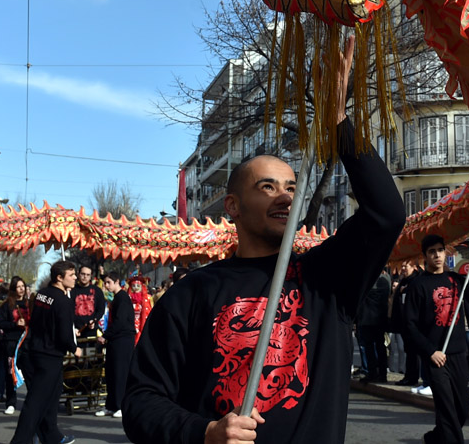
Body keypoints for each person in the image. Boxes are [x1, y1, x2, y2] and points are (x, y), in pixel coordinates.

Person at [123, 35, 406, 444]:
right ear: (233, 206)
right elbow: (141, 402)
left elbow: (387, 214)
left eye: (291, 187)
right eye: (268, 187)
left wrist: (339, 124)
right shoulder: (193, 293)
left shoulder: (326, 279)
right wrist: (205, 431)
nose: (285, 196)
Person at [404, 234, 469, 444]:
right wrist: (429, 351)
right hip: (436, 357)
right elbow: (409, 324)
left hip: (460, 353)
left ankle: (435, 437)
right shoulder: (418, 285)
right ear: (425, 256)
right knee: (447, 408)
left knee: (463, 407)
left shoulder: (457, 280)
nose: (437, 255)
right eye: (432, 252)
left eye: (440, 250)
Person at [9, 261, 79, 444]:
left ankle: (52, 435)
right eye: (71, 275)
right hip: (50, 355)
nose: (75, 278)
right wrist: (74, 347)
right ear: (59, 277)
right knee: (36, 402)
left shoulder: (41, 295)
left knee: (52, 396)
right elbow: (64, 334)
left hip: (36, 350)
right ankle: (20, 440)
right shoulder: (64, 301)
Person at [95, 270, 135, 418]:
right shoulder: (116, 298)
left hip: (123, 340)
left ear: (117, 282)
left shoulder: (123, 298)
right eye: (105, 283)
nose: (106, 285)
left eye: (108, 282)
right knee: (111, 373)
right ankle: (110, 405)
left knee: (120, 374)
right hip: (115, 340)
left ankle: (121, 405)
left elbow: (120, 322)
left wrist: (105, 335)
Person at [0, 276, 30, 416]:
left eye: (23, 286)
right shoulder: (7, 305)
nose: (21, 289)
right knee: (10, 373)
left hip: (27, 342)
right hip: (11, 342)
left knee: (30, 372)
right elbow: (1, 323)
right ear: (13, 289)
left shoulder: (30, 303)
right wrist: (14, 325)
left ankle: (31, 401)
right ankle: (11, 402)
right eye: (18, 286)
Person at [389, 261, 422, 386]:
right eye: (401, 266)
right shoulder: (404, 280)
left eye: (405, 266)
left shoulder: (416, 280)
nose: (402, 269)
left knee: (413, 352)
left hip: (412, 322)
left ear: (414, 267)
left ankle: (412, 377)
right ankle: (409, 376)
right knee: (408, 350)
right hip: (402, 321)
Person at [356, 269, 390, 383]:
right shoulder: (386, 278)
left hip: (368, 317)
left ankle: (373, 373)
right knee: (380, 346)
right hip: (379, 317)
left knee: (369, 347)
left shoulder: (369, 279)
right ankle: (381, 373)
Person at [71, 265, 106, 338]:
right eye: (83, 274)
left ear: (91, 276)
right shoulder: (71, 290)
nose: (85, 277)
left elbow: (101, 309)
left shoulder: (97, 291)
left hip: (91, 331)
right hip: (75, 330)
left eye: (88, 275)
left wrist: (95, 320)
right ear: (78, 274)